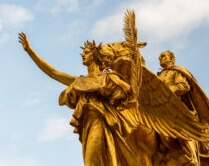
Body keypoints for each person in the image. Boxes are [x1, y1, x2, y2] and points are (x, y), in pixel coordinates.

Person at [18, 33, 139, 166]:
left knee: (93, 160)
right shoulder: (79, 81)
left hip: (101, 119)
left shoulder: (107, 78)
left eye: (87, 52)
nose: (83, 54)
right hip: (87, 125)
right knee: (90, 160)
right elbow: (53, 73)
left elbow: (128, 92)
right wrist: (30, 51)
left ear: (95, 55)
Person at [157, 51, 209, 165]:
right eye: (159, 57)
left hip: (177, 107)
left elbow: (184, 86)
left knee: (181, 127)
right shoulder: (158, 75)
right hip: (161, 108)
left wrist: (167, 91)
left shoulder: (177, 70)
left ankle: (191, 157)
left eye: (163, 56)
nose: (160, 58)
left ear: (172, 59)